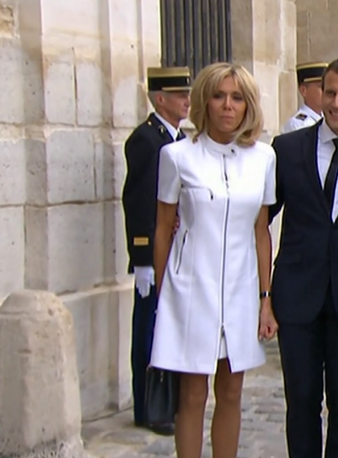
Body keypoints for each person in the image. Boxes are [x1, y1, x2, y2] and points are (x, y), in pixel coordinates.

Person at [150, 62, 279, 458]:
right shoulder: (176, 156)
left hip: (240, 287)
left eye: (237, 97)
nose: (228, 106)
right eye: (219, 96)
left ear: (248, 106)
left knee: (232, 389)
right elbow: (163, 227)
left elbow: (261, 232)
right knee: (192, 393)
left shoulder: (263, 159)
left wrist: (265, 298)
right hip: (191, 285)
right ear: (205, 100)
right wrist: (162, 292)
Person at [268, 57, 338, 458]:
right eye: (330, 92)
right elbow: (258, 218)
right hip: (296, 297)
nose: (336, 103)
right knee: (301, 405)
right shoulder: (287, 148)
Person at [120, 65, 191, 435]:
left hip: (176, 250)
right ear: (159, 99)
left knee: (168, 328)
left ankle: (169, 402)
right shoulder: (147, 140)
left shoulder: (177, 138)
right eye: (180, 95)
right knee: (148, 330)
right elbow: (138, 201)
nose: (187, 101)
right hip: (154, 255)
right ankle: (148, 407)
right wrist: (143, 259)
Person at [281, 62, 329, 133]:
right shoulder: (298, 124)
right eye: (321, 87)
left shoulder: (327, 119)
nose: (326, 92)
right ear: (304, 91)